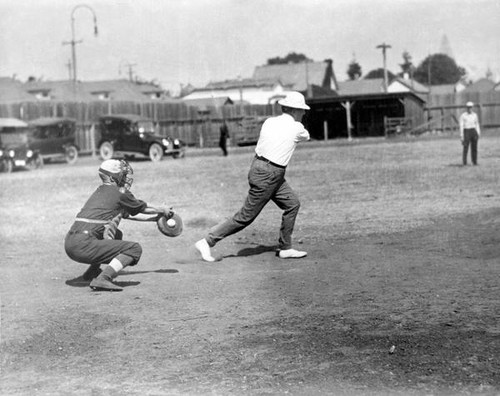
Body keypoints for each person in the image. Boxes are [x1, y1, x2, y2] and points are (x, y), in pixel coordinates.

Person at [195, 91, 310, 262]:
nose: (304, 113)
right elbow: (306, 136)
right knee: (245, 217)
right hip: (270, 174)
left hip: (261, 168)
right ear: (294, 110)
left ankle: (285, 247)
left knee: (292, 204)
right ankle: (207, 241)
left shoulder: (269, 122)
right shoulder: (297, 128)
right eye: (301, 110)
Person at [64, 159, 171, 291]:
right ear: (111, 177)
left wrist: (154, 219)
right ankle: (103, 278)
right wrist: (162, 209)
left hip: (71, 244)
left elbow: (128, 213)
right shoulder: (119, 192)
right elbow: (141, 207)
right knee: (134, 249)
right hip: (84, 245)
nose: (125, 177)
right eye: (122, 174)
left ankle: (92, 272)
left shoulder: (100, 192)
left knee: (116, 234)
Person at [459, 101, 481, 166]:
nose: (470, 109)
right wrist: (461, 135)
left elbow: (477, 124)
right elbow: (461, 125)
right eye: (468, 107)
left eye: (471, 107)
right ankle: (464, 162)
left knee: (474, 147)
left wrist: (478, 133)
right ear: (466, 108)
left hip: (473, 131)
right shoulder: (463, 115)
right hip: (466, 131)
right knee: (465, 147)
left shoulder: (475, 115)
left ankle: (474, 161)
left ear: (472, 107)